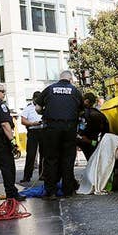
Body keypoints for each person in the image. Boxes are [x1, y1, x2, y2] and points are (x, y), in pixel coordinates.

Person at [37, 70, 83, 199]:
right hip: (69, 128)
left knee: (51, 159)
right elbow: (81, 110)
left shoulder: (49, 89)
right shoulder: (75, 91)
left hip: (52, 128)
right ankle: (68, 191)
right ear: (70, 79)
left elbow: (38, 108)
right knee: (68, 159)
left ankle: (51, 192)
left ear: (60, 78)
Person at [76, 92, 110, 161]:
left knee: (92, 161)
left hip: (88, 143)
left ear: (86, 101)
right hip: (93, 143)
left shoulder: (86, 114)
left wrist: (89, 141)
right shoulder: (98, 114)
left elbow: (82, 136)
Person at [19, 92, 44, 183]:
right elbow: (23, 120)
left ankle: (42, 175)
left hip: (42, 131)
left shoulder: (44, 106)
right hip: (32, 131)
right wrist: (32, 123)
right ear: (33, 98)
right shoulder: (28, 108)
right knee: (31, 154)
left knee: (43, 154)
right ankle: (27, 176)